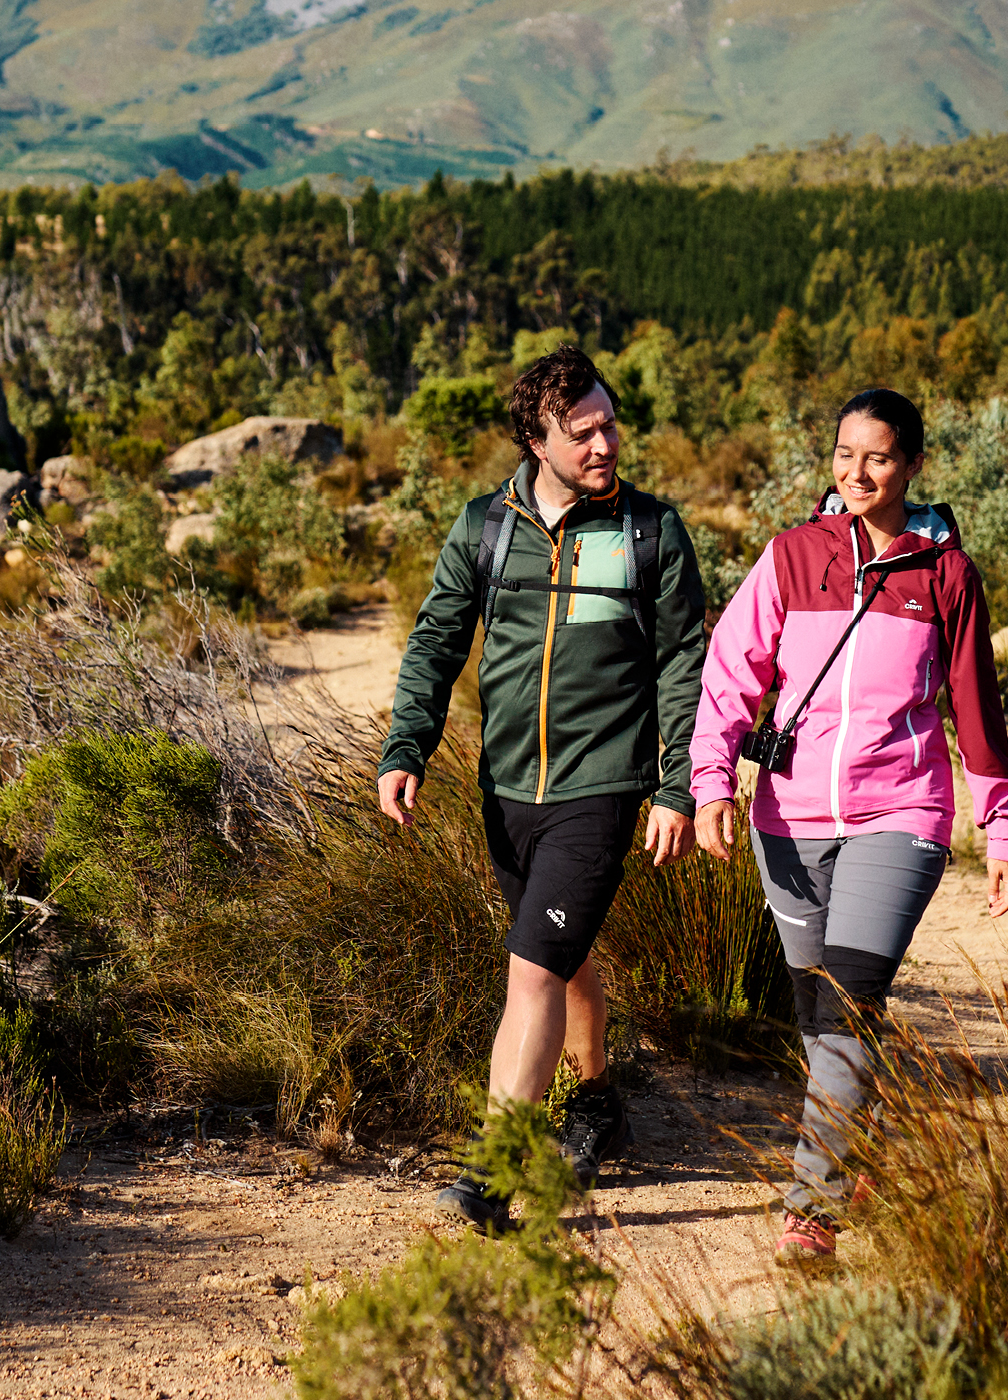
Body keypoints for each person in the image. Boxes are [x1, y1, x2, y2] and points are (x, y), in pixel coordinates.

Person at [688, 387, 1008, 1271]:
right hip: (788, 821)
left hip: (902, 817)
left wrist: (1002, 829)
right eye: (845, 454)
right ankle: (860, 1138)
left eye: (877, 457)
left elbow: (974, 708)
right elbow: (731, 670)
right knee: (820, 1016)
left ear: (912, 462)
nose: (858, 472)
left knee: (845, 1005)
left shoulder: (944, 573)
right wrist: (712, 783)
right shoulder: (795, 558)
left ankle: (813, 1206)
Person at [378, 346, 712, 1230]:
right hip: (505, 786)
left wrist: (677, 786)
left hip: (601, 788)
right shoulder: (486, 527)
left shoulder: (651, 533)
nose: (607, 443)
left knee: (529, 972)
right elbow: (436, 641)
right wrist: (405, 746)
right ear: (536, 438)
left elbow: (686, 666)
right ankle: (597, 1101)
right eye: (584, 431)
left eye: (610, 423)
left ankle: (492, 1179)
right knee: (559, 960)